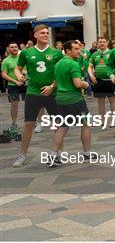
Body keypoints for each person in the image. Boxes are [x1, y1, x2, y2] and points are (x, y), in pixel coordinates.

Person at [13, 25, 63, 167]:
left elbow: (61, 73)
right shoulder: (26, 53)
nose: (45, 35)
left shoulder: (56, 52)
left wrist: (52, 86)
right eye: (42, 33)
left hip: (52, 92)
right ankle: (22, 155)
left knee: (58, 124)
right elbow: (18, 68)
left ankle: (58, 153)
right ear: (35, 35)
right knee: (29, 124)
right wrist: (19, 76)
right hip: (33, 92)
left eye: (47, 33)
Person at [48, 40, 92, 167]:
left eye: (79, 49)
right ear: (68, 51)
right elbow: (78, 83)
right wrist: (86, 84)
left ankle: (53, 155)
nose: (79, 51)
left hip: (60, 99)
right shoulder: (73, 64)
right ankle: (87, 154)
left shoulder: (58, 64)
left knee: (62, 127)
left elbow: (55, 83)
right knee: (85, 123)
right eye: (76, 49)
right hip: (75, 99)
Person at [88, 37, 115, 123]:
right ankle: (102, 120)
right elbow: (89, 67)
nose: (102, 43)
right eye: (100, 42)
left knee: (112, 101)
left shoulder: (112, 53)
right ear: (97, 43)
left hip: (110, 81)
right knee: (100, 102)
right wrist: (91, 76)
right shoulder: (94, 54)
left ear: (107, 43)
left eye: (104, 42)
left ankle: (113, 120)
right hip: (99, 81)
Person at [2, 42, 25, 128]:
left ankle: (32, 122)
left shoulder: (22, 58)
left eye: (16, 47)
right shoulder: (6, 61)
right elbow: (4, 74)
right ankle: (14, 123)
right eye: (12, 47)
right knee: (14, 104)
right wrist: (15, 81)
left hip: (25, 84)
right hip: (12, 85)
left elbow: (27, 70)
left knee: (30, 103)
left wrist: (25, 78)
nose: (14, 48)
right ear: (8, 49)